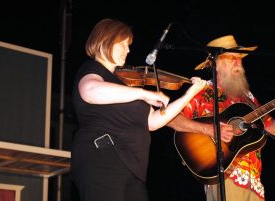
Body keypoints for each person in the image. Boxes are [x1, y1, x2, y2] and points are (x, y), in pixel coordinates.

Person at [71, 18, 206, 201]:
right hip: (103, 156)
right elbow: (90, 91)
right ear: (106, 40)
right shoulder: (92, 69)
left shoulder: (125, 86)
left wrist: (189, 94)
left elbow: (153, 121)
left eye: (128, 45)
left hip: (133, 167)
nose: (128, 50)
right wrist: (143, 94)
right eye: (123, 44)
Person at [168, 35, 275, 201]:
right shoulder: (203, 91)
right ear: (217, 63)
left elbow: (269, 127)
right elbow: (171, 118)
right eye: (232, 58)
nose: (238, 63)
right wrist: (210, 129)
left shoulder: (249, 99)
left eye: (239, 59)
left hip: (255, 182)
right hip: (224, 176)